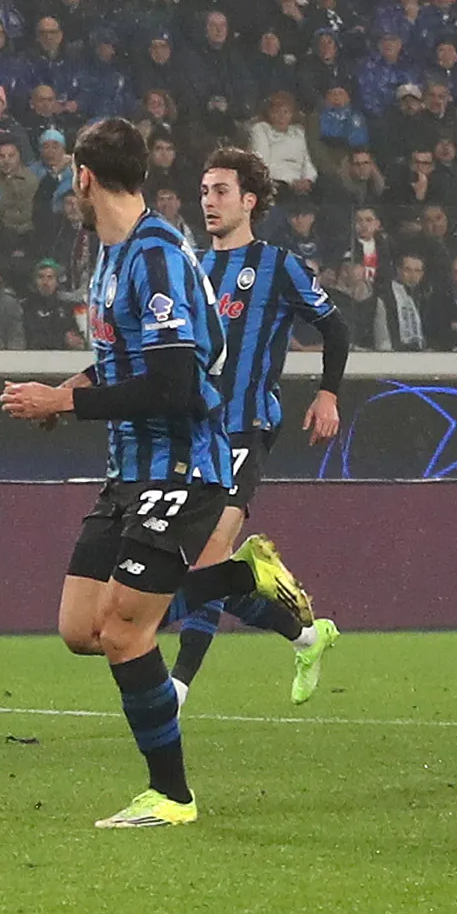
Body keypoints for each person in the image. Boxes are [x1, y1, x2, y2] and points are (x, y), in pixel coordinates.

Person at [0, 118, 235, 828]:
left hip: (181, 467)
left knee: (126, 631)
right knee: (82, 628)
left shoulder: (156, 255)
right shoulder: (112, 254)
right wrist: (63, 393)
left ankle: (172, 796)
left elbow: (173, 384)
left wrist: (65, 405)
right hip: (128, 472)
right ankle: (240, 581)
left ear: (83, 176)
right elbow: (123, 363)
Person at [169, 148, 344, 702]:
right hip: (194, 434)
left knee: (208, 556)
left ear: (249, 201)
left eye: (221, 191)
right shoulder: (191, 268)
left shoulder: (277, 265)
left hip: (247, 427)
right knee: (204, 572)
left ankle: (175, 689)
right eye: (204, 191)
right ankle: (306, 635)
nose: (209, 201)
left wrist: (328, 394)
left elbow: (335, 328)